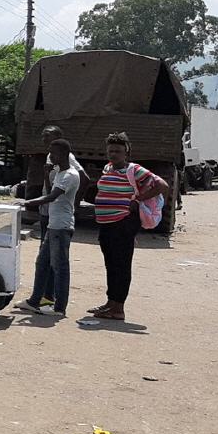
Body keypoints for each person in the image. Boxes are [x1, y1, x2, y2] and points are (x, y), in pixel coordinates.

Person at [89, 132, 169, 321]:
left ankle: (118, 309)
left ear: (127, 152)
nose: (113, 154)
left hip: (123, 223)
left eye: (117, 151)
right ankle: (110, 302)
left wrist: (139, 198)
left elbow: (162, 185)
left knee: (121, 265)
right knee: (111, 264)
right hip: (107, 224)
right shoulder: (108, 168)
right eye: (110, 151)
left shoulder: (134, 170)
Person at [14, 139, 80, 318]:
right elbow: (51, 190)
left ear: (64, 154)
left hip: (61, 227)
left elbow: (52, 197)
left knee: (60, 267)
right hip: (53, 225)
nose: (50, 157)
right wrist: (46, 175)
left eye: (54, 153)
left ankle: (59, 308)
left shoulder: (70, 174)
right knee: (42, 263)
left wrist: (26, 202)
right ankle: (34, 301)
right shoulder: (59, 172)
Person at [36, 125, 91, 306]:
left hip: (59, 217)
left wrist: (74, 203)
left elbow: (84, 178)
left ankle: (51, 299)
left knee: (56, 260)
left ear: (59, 138)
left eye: (48, 136)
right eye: (43, 135)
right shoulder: (51, 156)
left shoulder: (68, 160)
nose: (44, 139)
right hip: (49, 213)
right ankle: (44, 295)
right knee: (45, 258)